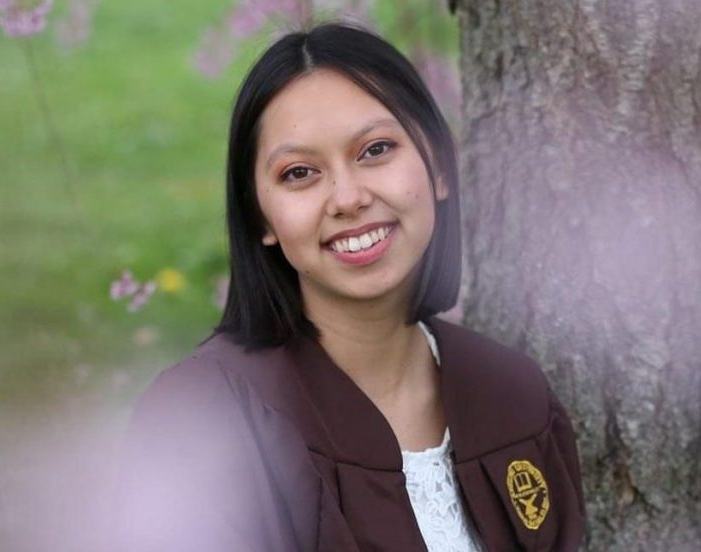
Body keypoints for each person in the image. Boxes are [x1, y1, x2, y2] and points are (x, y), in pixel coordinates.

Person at [115, 22, 585, 552]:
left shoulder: (513, 397)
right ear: (261, 220)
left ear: (439, 168)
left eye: (376, 149)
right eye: (299, 173)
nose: (347, 197)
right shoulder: (204, 423)